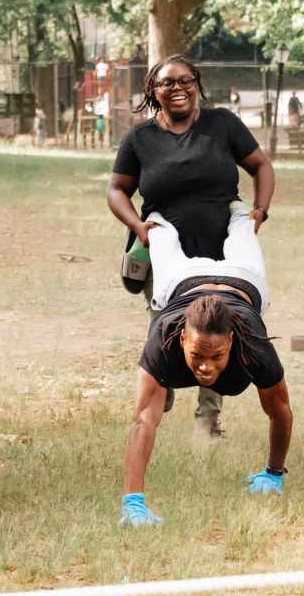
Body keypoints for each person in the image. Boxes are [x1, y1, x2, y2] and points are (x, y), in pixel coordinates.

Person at [108, 54, 274, 438]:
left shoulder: (222, 124)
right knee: (164, 322)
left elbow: (261, 166)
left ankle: (207, 420)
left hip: (221, 249)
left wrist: (259, 211)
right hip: (164, 247)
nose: (178, 88)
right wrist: (137, 226)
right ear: (153, 90)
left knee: (216, 325)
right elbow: (116, 189)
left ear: (196, 84)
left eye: (186, 80)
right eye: (167, 82)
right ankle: (159, 392)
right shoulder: (140, 139)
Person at [120, 205, 291, 527]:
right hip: (182, 280)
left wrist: (274, 474)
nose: (206, 368)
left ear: (232, 341)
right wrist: (133, 503)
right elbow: (143, 419)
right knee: (160, 235)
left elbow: (280, 410)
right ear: (182, 338)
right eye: (197, 355)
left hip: (244, 278)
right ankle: (156, 216)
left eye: (217, 356)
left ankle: (237, 207)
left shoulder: (254, 346)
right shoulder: (164, 337)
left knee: (243, 227)